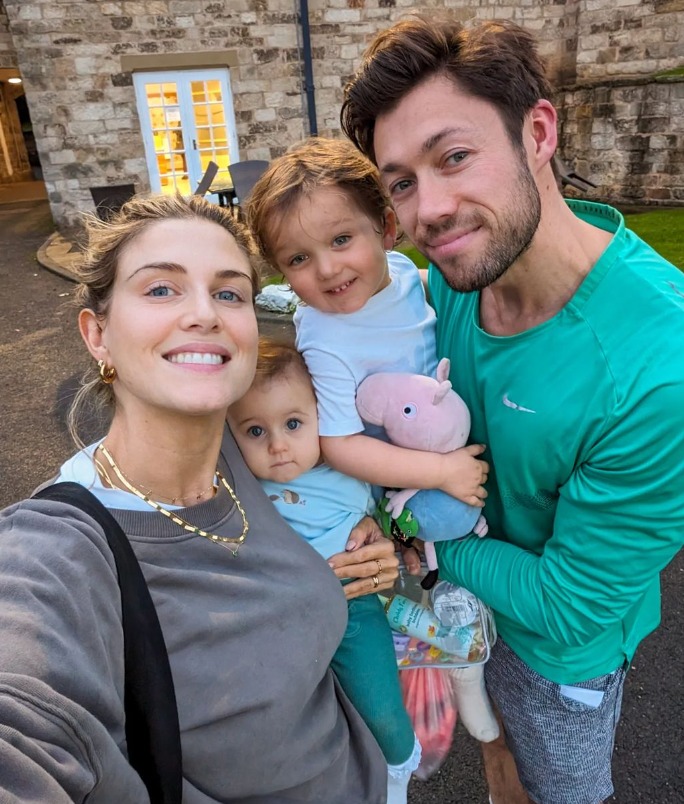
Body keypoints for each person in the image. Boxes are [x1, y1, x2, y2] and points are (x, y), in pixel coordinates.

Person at [340, 13, 684, 804]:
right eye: (401, 182)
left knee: (562, 786)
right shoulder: (447, 290)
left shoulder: (660, 370)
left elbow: (568, 607)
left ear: (537, 131)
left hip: (556, 657)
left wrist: (409, 543)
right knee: (497, 755)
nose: (428, 211)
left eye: (454, 157)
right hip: (463, 613)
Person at [0, 193, 400, 802]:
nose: (205, 314)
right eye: (161, 289)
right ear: (98, 334)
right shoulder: (59, 546)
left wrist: (369, 540)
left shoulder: (254, 451)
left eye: (230, 292)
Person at [246, 137, 488, 520]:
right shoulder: (326, 340)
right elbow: (340, 445)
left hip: (442, 426)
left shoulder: (401, 270)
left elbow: (428, 284)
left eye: (341, 240)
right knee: (439, 522)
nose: (327, 269)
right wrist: (439, 472)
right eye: (299, 258)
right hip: (397, 474)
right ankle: (429, 563)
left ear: (386, 229)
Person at [227, 336, 421, 802]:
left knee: (381, 709)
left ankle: (396, 770)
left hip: (353, 607)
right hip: (276, 621)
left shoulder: (352, 469)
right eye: (255, 431)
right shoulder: (236, 484)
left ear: (322, 417)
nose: (277, 446)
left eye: (293, 423)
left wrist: (395, 537)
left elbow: (400, 518)